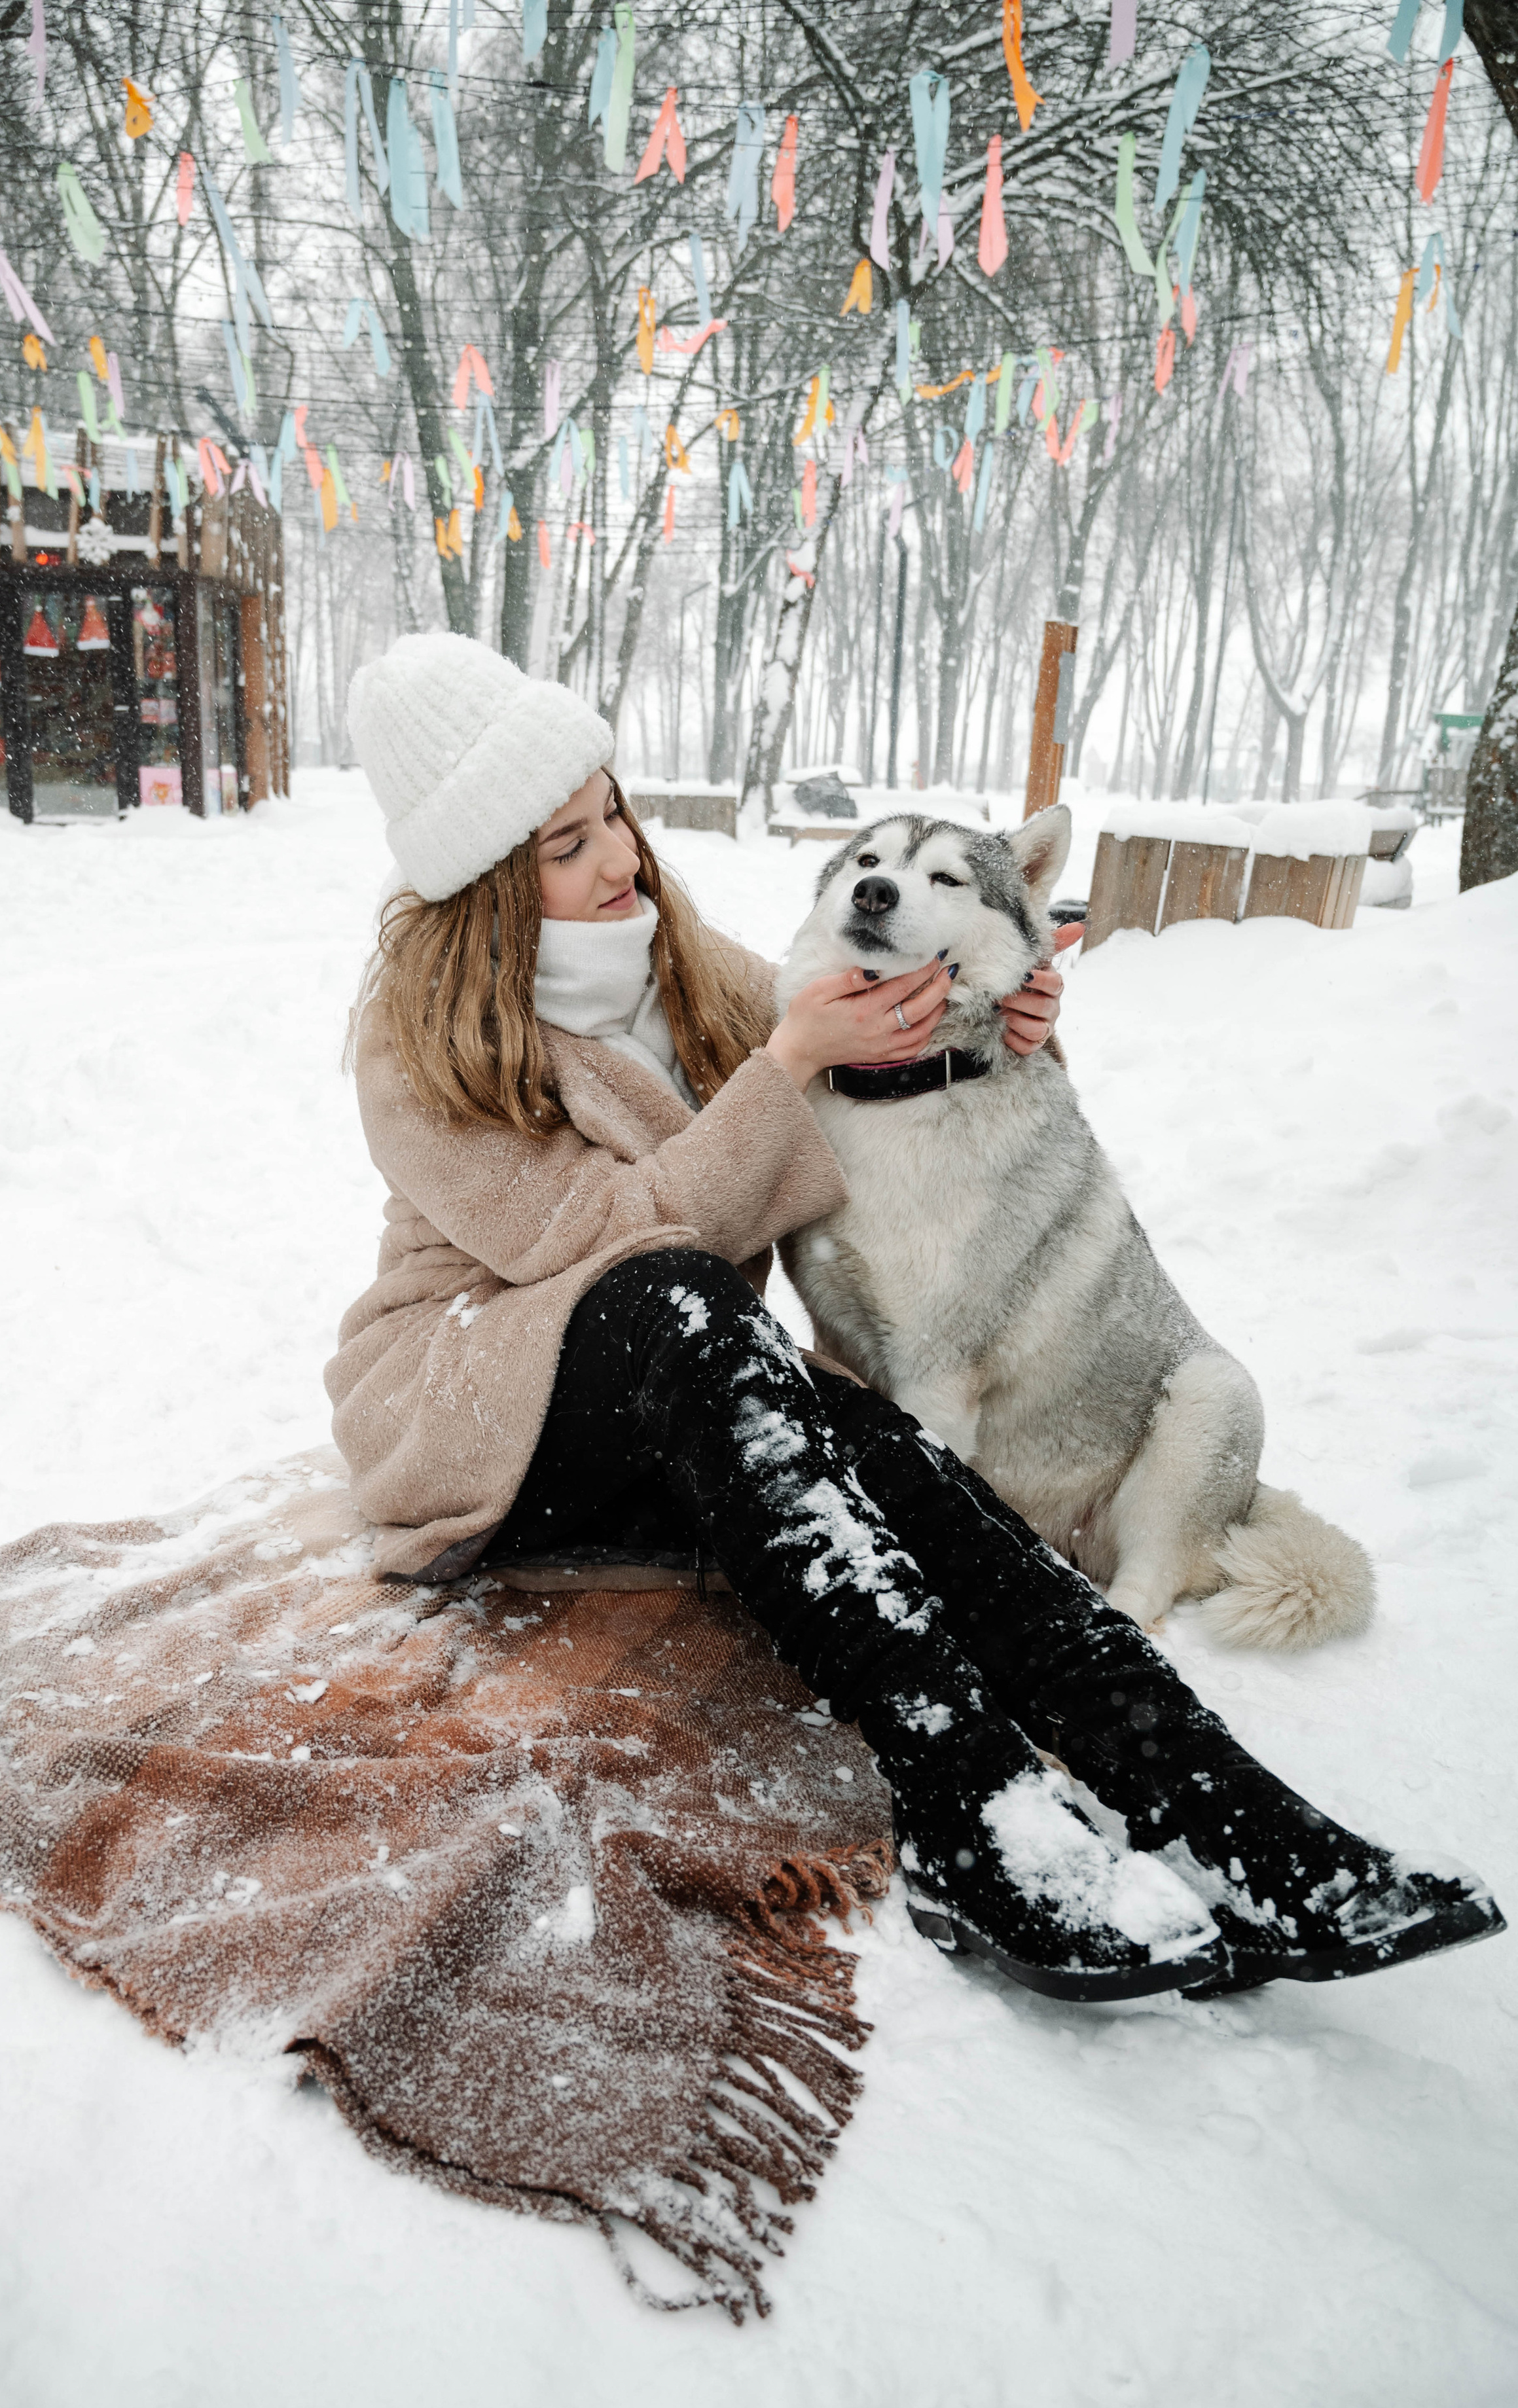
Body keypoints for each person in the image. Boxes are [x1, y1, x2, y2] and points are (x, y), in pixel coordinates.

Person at [327, 632, 1504, 2005]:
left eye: (614, 818)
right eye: (566, 847)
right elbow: (601, 1245)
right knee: (679, 1299)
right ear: (480, 890)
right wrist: (787, 1062)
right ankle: (966, 1798)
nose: (620, 864)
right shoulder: (414, 1039)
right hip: (483, 1417)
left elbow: (871, 1011)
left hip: (691, 1387)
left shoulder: (662, 950)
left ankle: (1232, 1818)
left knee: (893, 1461)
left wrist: (999, 1013)